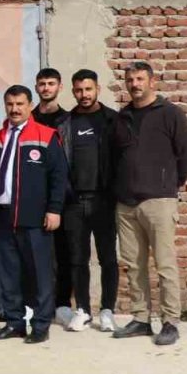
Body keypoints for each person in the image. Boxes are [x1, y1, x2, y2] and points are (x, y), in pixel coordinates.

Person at [111, 61, 187, 346]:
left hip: (159, 200)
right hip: (126, 204)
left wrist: (169, 184)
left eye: (139, 79)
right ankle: (140, 319)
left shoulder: (170, 114)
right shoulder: (122, 118)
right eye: (130, 80)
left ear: (151, 81)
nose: (134, 84)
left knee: (165, 264)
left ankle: (170, 321)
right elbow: (114, 159)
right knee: (134, 265)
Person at [0, 85, 68, 345]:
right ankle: (15, 322)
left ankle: (41, 325)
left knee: (40, 274)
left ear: (30, 105)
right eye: (10, 104)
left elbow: (59, 176)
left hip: (34, 217)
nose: (15, 109)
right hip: (3, 215)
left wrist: (54, 209)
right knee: (8, 273)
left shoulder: (46, 135)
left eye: (20, 104)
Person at [54, 69, 120, 333]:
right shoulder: (65, 124)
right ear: (73, 91)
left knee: (108, 258)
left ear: (97, 90)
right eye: (79, 90)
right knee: (77, 259)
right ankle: (82, 309)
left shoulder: (112, 120)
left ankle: (107, 310)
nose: (84, 95)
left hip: (104, 200)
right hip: (74, 202)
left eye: (88, 89)